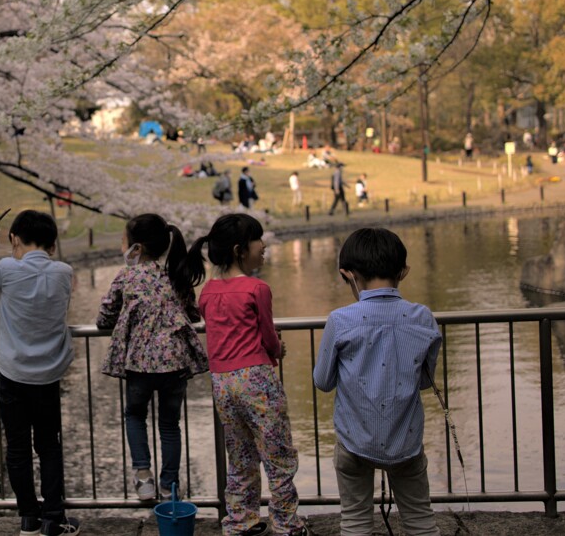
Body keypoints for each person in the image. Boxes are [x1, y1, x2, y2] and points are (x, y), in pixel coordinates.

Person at [184, 214, 309, 536]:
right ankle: (286, 523)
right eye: (258, 240)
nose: (264, 246)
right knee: (278, 455)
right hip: (256, 380)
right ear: (241, 249)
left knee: (240, 457)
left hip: (223, 382)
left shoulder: (208, 292)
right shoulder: (257, 288)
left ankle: (241, 521)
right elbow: (268, 338)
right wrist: (277, 349)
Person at [313, 228, 442, 536]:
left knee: (355, 521)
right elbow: (424, 381)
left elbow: (323, 381)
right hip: (406, 439)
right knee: (420, 520)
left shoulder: (341, 320)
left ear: (348, 274)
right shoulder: (423, 317)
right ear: (404, 271)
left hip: (354, 440)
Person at [0, 210, 80, 536]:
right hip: (47, 375)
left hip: (12, 372)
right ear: (52, 243)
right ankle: (54, 518)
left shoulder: (7, 270)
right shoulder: (63, 272)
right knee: (49, 446)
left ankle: (29, 518)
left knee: (17, 448)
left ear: (14, 239)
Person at [95, 214, 208, 501]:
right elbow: (193, 314)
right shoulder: (176, 276)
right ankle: (169, 485)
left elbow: (105, 315)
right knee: (170, 425)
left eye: (124, 241)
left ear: (137, 248)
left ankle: (143, 479)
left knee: (135, 415)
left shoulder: (128, 276)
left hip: (139, 364)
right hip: (174, 363)